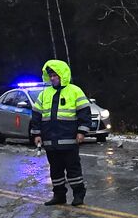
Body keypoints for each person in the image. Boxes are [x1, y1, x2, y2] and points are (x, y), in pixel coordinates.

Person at [29, 60, 93, 206]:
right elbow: (36, 116)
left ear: (62, 75)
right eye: (50, 75)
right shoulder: (45, 94)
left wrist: (82, 132)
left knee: (73, 170)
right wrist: (37, 134)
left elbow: (84, 113)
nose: (52, 78)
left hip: (69, 140)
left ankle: (78, 195)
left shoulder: (75, 91)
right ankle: (59, 196)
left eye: (55, 75)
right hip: (50, 141)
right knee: (55, 171)